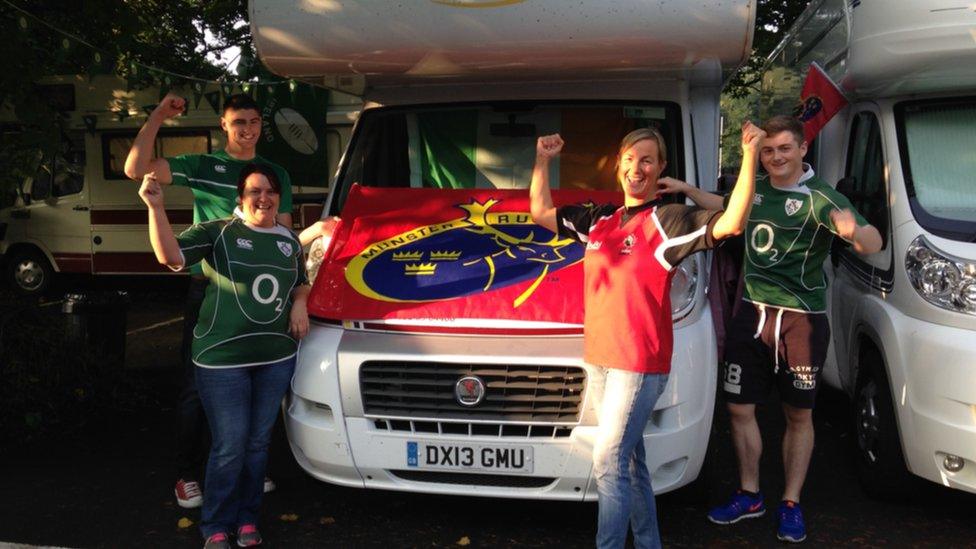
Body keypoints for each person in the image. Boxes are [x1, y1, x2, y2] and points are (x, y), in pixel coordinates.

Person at [529, 122, 764, 548]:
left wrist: (748, 155)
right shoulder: (600, 219)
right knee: (631, 463)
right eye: (630, 159)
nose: (637, 168)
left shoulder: (668, 221)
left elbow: (731, 223)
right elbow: (541, 214)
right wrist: (543, 161)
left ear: (660, 170)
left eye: (647, 161)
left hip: (637, 366)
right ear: (618, 165)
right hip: (600, 360)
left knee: (608, 461)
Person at [658, 115, 882, 543]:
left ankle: (792, 502)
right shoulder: (756, 187)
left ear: (801, 150)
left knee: (798, 414)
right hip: (752, 314)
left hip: (801, 320)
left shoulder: (821, 198)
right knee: (740, 409)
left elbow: (872, 241)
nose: (775, 157)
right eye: (768, 150)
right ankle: (750, 494)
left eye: (783, 149)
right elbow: (725, 206)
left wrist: (858, 234)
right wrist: (687, 191)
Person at [125, 93, 298, 508]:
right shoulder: (202, 165)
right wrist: (159, 115)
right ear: (223, 124)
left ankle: (247, 467)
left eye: (254, 121)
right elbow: (134, 169)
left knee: (257, 382)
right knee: (196, 388)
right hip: (213, 288)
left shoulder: (276, 175)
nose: (247, 129)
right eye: (238, 121)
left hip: (262, 295)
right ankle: (186, 474)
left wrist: (299, 294)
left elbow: (287, 238)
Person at [139, 164, 310, 549]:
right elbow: (170, 257)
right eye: (254, 191)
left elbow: (300, 281)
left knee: (258, 444)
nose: (263, 198)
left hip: (276, 357)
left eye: (270, 191)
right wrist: (155, 208)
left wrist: (300, 303)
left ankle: (247, 520)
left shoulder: (289, 240)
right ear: (240, 198)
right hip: (222, 359)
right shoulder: (218, 232)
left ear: (279, 197)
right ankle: (216, 525)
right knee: (231, 445)